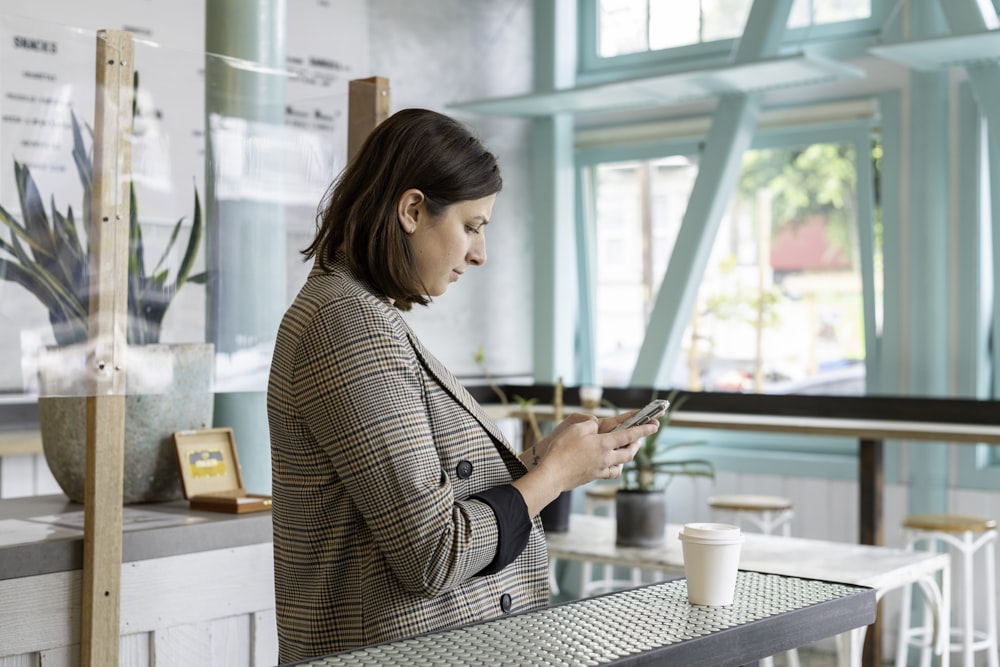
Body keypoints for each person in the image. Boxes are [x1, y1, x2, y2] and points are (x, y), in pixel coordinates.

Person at [266, 108, 660, 662]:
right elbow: (435, 552)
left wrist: (543, 460)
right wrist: (552, 477)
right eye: (471, 226)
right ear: (412, 209)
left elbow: (428, 498)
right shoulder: (347, 325)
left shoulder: (363, 315)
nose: (480, 253)